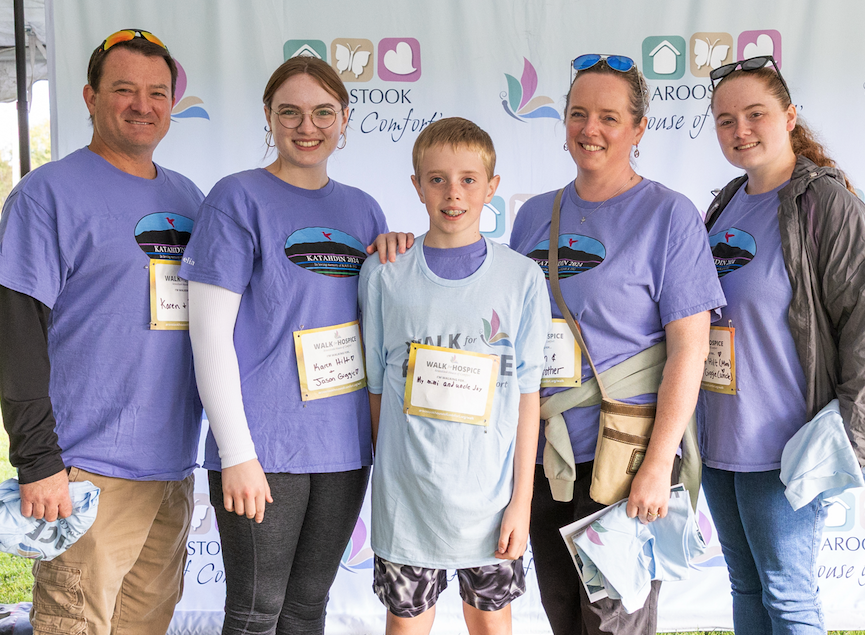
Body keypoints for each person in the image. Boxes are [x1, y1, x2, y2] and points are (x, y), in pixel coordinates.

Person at [508, 55, 725, 634]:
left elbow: (689, 350)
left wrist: (658, 464)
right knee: (564, 615)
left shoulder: (669, 215)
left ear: (638, 128)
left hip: (625, 457)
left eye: (609, 117)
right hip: (546, 456)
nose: (590, 129)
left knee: (613, 623)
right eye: (578, 114)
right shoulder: (534, 216)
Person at [0, 29, 203, 634]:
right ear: (90, 97)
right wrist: (39, 461)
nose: (143, 105)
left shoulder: (189, 198)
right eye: (124, 90)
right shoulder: (46, 196)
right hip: (84, 473)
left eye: (157, 92)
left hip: (171, 470)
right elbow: (16, 333)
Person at [178, 56, 387, 634]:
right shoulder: (237, 198)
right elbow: (208, 334)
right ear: (268, 117)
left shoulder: (364, 209)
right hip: (264, 447)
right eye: (289, 112)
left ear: (345, 118)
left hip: (344, 447)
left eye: (323, 112)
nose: (307, 126)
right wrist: (236, 453)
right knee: (255, 614)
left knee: (305, 611)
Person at [700, 55, 865, 635]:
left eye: (755, 114)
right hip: (718, 440)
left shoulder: (828, 205)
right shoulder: (726, 202)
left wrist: (852, 440)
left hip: (787, 448)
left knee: (787, 597)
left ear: (788, 117)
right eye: (726, 120)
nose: (740, 130)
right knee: (746, 586)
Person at [358, 117, 551, 635]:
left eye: (468, 179)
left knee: (491, 623)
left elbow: (527, 397)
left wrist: (521, 503)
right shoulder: (384, 273)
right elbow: (376, 391)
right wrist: (393, 478)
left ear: (492, 187)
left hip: (490, 505)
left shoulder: (521, 278)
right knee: (405, 626)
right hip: (407, 505)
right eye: (437, 179)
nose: (453, 193)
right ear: (417, 185)